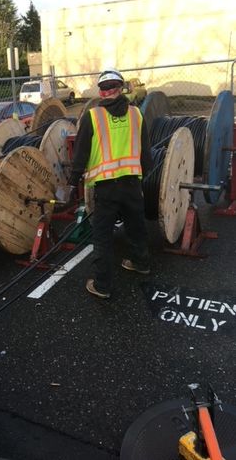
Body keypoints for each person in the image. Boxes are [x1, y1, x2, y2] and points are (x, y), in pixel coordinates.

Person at [68, 68, 153, 299]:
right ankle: (141, 263)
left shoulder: (93, 116)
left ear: (102, 92)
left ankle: (102, 285)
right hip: (132, 183)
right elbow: (146, 152)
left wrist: (72, 182)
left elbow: (81, 154)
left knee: (103, 236)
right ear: (121, 89)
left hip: (106, 187)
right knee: (136, 225)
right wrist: (142, 175)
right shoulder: (136, 114)